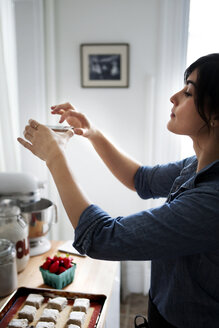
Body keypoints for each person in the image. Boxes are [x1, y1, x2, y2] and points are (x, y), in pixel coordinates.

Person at [17, 53, 219, 328]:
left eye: (188, 92)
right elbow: (140, 179)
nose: (174, 97)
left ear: (216, 116)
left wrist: (55, 156)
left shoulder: (211, 202)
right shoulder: (195, 165)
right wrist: (93, 133)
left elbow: (101, 237)